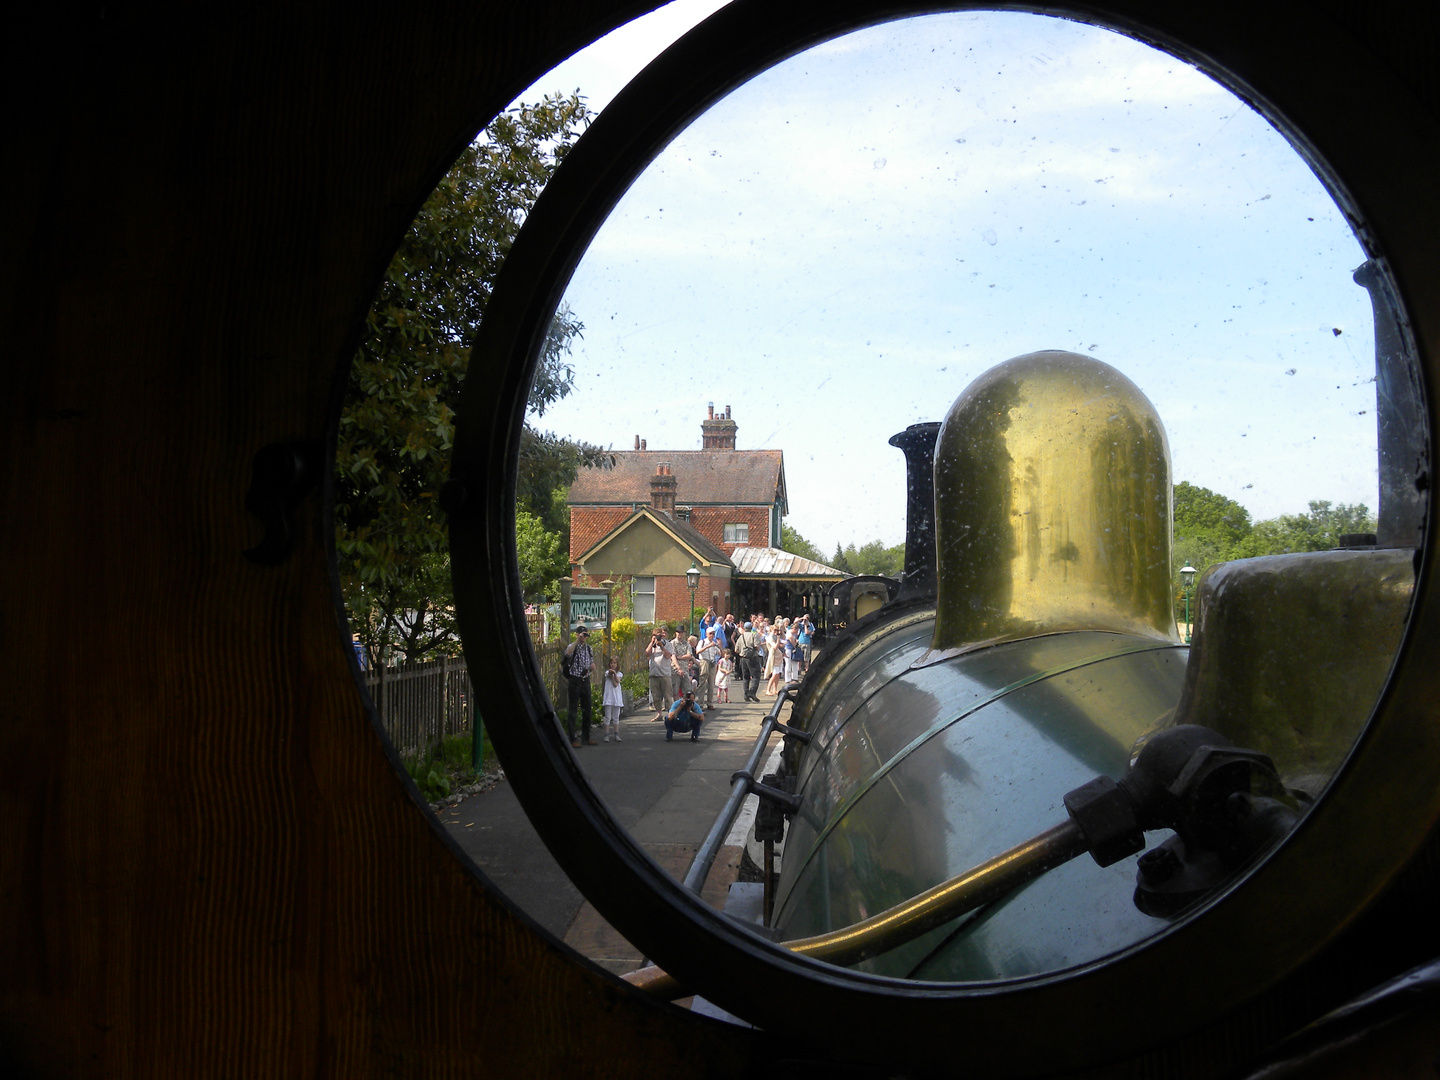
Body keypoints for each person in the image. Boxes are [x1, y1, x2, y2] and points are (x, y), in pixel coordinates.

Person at [562, 624, 596, 747]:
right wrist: (577, 640)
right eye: (581, 635)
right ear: (577, 634)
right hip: (574, 680)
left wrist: (592, 667)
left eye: (585, 635)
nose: (583, 637)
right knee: (573, 709)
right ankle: (572, 739)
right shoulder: (573, 646)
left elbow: (591, 662)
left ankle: (586, 738)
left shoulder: (588, 649)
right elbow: (567, 654)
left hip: (585, 679)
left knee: (587, 709)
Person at [645, 627, 674, 722]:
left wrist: (661, 645)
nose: (658, 637)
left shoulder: (668, 644)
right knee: (656, 696)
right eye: (656, 635)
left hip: (664, 673)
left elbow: (668, 655)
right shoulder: (652, 646)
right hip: (654, 673)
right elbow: (647, 654)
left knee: (667, 695)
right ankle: (659, 714)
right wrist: (652, 643)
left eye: (659, 635)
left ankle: (670, 713)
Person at [695, 626, 723, 709]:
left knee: (711, 684)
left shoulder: (714, 643)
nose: (712, 635)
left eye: (713, 634)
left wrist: (719, 646)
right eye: (710, 634)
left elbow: (721, 654)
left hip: (712, 662)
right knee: (703, 682)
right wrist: (708, 646)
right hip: (704, 661)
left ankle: (710, 703)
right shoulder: (702, 642)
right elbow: (698, 651)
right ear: (706, 634)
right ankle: (700, 703)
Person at [736, 621, 762, 702]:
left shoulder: (741, 637)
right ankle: (752, 692)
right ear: (751, 628)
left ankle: (746, 695)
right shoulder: (754, 635)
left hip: (743, 658)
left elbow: (736, 650)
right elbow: (757, 646)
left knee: (745, 677)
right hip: (753, 657)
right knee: (756, 676)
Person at [601, 655, 624, 743]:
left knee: (616, 717)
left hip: (616, 698)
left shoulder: (619, 674)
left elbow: (616, 683)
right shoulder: (607, 673)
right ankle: (606, 734)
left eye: (614, 663)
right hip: (608, 697)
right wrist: (611, 674)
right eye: (611, 663)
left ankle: (616, 734)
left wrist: (614, 674)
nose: (613, 664)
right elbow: (611, 679)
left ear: (617, 664)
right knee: (607, 717)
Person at [670, 629, 694, 701]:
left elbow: (689, 655)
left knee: (688, 690)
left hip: (685, 670)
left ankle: (686, 707)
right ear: (675, 633)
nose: (680, 634)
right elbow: (673, 656)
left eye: (681, 632)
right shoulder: (672, 643)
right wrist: (678, 668)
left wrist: (679, 657)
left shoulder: (687, 644)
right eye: (678, 632)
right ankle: (677, 707)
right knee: (675, 691)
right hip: (675, 670)